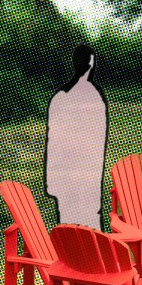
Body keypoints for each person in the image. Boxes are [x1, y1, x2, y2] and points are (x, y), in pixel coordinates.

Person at [44, 43, 108, 230]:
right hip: (77, 171)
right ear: (91, 64)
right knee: (79, 220)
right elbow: (55, 142)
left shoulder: (65, 96)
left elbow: (54, 141)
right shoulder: (89, 96)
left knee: (78, 219)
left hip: (83, 172)